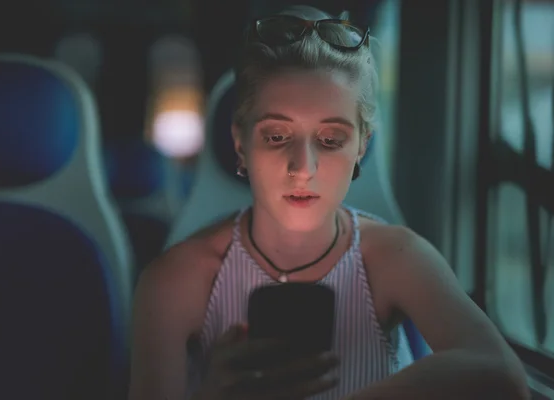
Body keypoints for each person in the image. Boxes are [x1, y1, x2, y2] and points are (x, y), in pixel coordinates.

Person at [128, 5, 530, 400]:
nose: (303, 168)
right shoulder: (177, 281)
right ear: (240, 141)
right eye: (276, 137)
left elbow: (503, 376)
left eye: (331, 140)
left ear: (361, 147)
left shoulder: (394, 256)